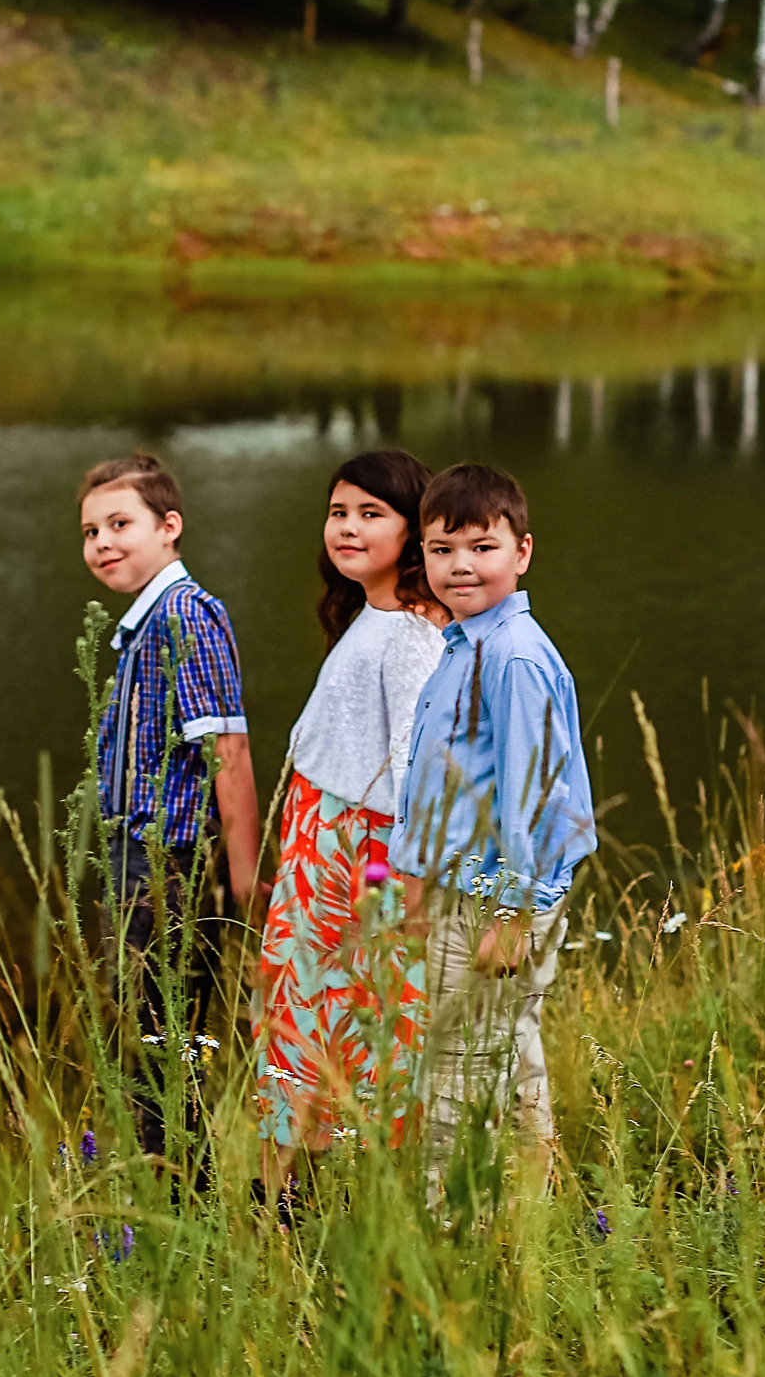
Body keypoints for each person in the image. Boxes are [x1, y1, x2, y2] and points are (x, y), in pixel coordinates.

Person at [393, 463, 596, 1191]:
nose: (460, 566)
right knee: (508, 1052)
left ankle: (456, 1232)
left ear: (523, 551)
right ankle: (539, 1208)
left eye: (481, 546)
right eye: (442, 549)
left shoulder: (512, 656)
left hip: (496, 897)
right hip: (463, 888)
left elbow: (534, 798)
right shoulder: (466, 644)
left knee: (457, 1073)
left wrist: (512, 913)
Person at [253, 451, 447, 1201]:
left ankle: (310, 1199)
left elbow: (415, 768)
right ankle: (289, 1199)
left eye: (372, 514)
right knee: (299, 1017)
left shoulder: (409, 634)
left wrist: (407, 888)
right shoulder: (371, 614)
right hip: (320, 848)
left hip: (358, 861)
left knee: (340, 1019)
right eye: (339, 512)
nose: (349, 527)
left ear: (413, 531)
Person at [79, 453, 261, 1164]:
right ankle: (175, 1197)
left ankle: (188, 1205)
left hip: (172, 863)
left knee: (165, 1047)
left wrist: (242, 876)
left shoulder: (187, 614)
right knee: (147, 1045)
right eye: (91, 530)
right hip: (134, 860)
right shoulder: (143, 624)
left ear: (170, 527)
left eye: (121, 523)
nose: (103, 543)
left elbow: (230, 751)